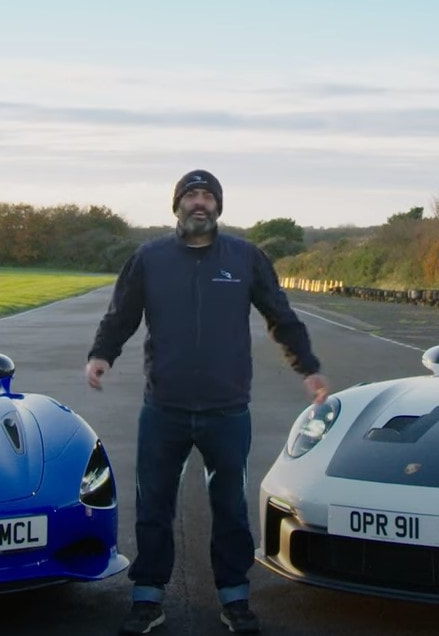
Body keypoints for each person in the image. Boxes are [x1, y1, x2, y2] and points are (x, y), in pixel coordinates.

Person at [85, 169, 328, 635]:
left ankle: (235, 597)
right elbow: (122, 314)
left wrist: (308, 366)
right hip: (164, 408)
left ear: (218, 205)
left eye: (207, 196)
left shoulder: (245, 257)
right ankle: (148, 597)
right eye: (191, 195)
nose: (200, 203)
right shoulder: (149, 258)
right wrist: (102, 354)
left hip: (227, 408)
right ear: (176, 205)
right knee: (153, 505)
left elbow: (281, 314)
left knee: (231, 507)